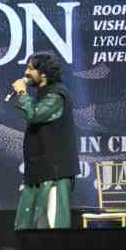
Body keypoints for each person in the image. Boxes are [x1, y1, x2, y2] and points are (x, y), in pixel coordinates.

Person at [11, 51, 80, 231]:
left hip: (54, 172)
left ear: (43, 73)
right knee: (26, 224)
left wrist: (22, 92)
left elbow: (35, 114)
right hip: (39, 170)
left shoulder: (57, 94)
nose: (26, 73)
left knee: (51, 225)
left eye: (30, 69)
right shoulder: (43, 93)